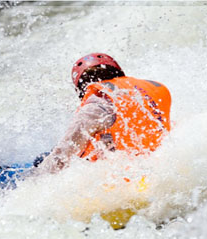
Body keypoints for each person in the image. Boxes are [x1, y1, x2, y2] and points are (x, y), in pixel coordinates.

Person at [38, 53, 171, 173]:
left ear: (81, 88)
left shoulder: (96, 105)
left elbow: (62, 156)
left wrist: (32, 181)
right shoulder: (150, 90)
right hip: (160, 164)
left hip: (122, 176)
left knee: (41, 160)